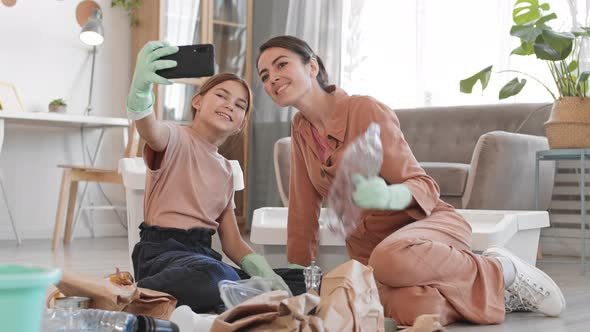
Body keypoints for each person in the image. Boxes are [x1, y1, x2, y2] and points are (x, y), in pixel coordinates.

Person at [256, 35, 566, 326]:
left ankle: (503, 270)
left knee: (390, 258)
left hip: (426, 228)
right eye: (264, 76)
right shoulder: (300, 130)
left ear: (312, 66)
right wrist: (297, 276)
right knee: (417, 310)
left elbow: (423, 185)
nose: (273, 78)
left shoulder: (363, 109)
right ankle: (498, 295)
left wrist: (388, 198)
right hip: (372, 253)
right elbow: (302, 207)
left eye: (281, 64)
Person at [126, 41, 291, 313]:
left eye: (240, 105)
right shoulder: (174, 137)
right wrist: (140, 92)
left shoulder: (227, 171)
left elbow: (231, 241)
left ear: (240, 124)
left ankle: (233, 295)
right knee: (215, 277)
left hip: (202, 256)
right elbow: (149, 129)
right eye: (222, 96)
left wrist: (262, 270)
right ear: (197, 101)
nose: (230, 106)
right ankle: (132, 298)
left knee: (295, 279)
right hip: (162, 254)